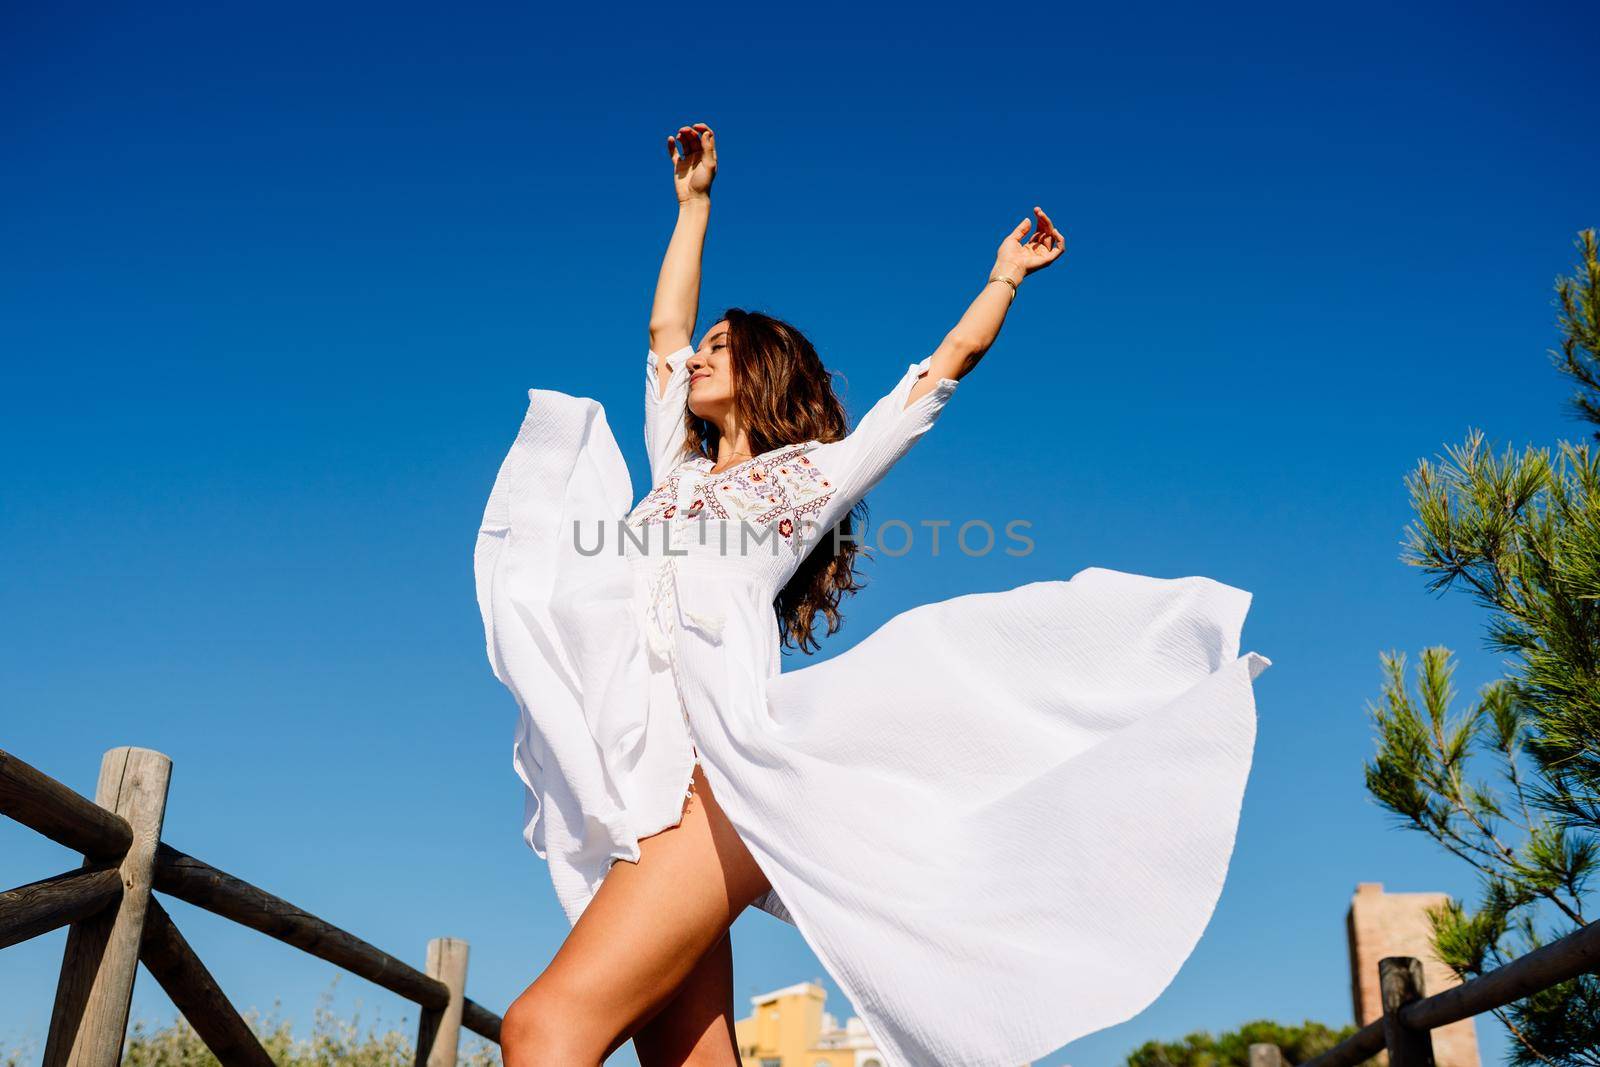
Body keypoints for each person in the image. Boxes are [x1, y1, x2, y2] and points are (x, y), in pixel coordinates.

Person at [473, 121, 1271, 1067]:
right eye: (704, 348)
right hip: (645, 790)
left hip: (712, 783)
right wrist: (694, 207)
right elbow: (662, 334)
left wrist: (1004, 279)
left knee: (541, 1029)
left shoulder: (806, 479)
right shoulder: (674, 472)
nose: (698, 359)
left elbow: (935, 379)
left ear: (763, 369)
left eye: (722, 348)